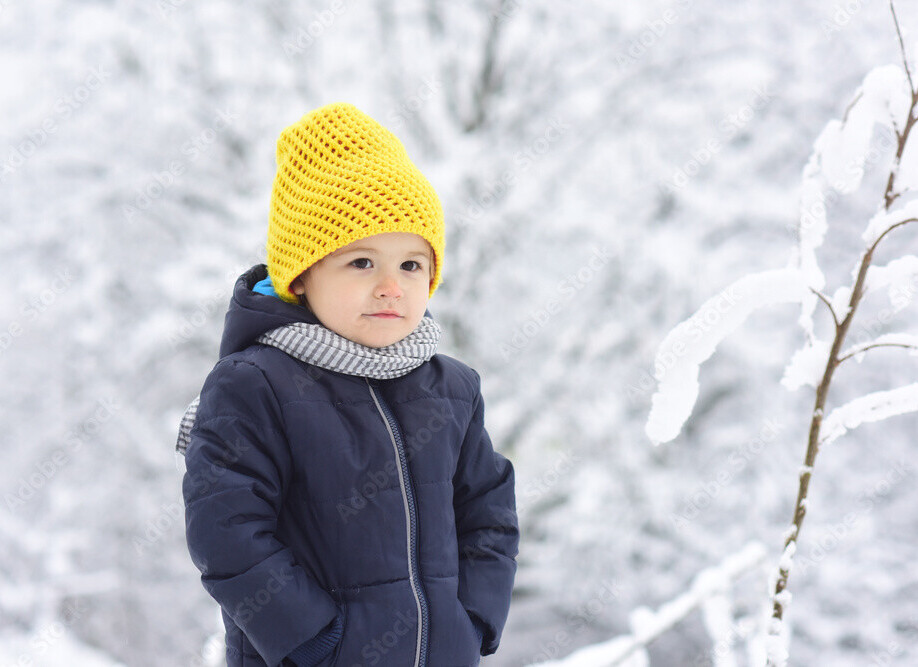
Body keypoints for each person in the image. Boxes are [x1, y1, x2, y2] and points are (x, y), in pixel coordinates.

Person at [176, 102, 519, 667]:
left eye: (412, 265)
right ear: (303, 277)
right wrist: (315, 640)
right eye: (362, 263)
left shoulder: (452, 388)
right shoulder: (255, 385)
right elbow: (227, 530)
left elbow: (488, 511)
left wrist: (474, 619)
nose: (391, 287)